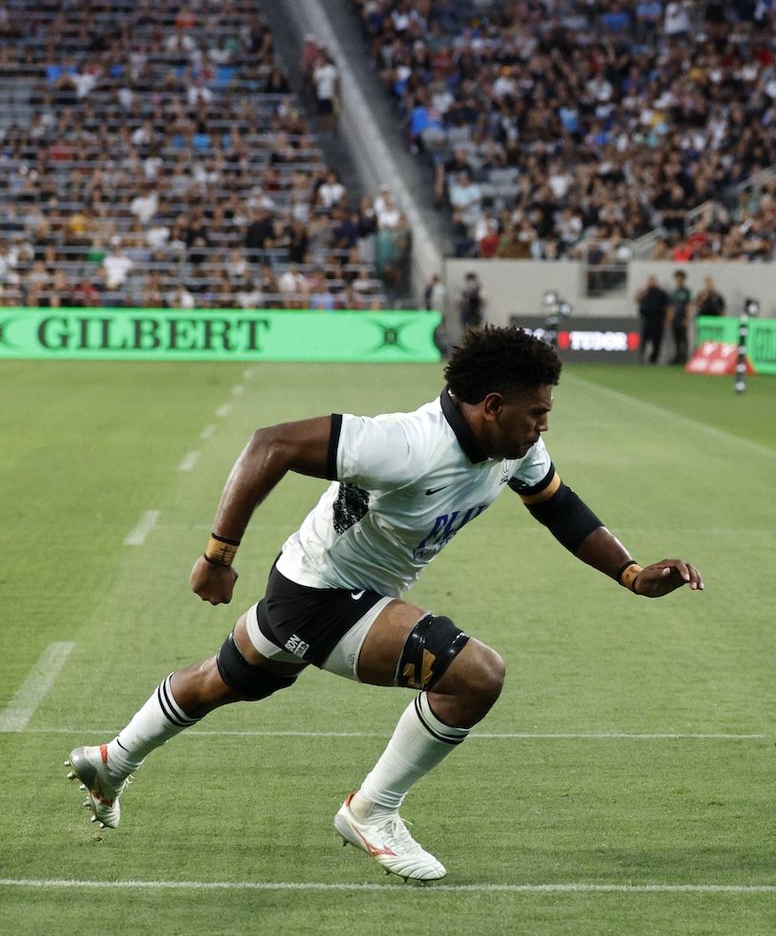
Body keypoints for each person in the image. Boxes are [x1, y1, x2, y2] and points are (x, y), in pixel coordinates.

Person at [62, 327, 704, 880]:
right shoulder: (407, 444)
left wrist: (631, 572)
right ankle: (372, 810)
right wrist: (217, 556)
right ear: (490, 404)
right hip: (319, 594)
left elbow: (559, 507)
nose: (543, 426)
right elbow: (269, 445)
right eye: (536, 412)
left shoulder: (515, 448)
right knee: (476, 675)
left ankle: (110, 761)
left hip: (325, 585)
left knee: (224, 683)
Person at [635, 275, 670, 364]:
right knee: (642, 341)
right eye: (649, 281)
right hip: (645, 320)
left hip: (657, 320)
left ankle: (653, 360)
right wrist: (643, 292)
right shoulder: (644, 292)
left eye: (652, 281)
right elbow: (636, 299)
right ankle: (639, 358)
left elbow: (668, 307)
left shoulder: (661, 293)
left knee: (656, 341)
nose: (650, 283)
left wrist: (667, 319)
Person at [667, 269, 693, 364]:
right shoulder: (674, 292)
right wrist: (669, 318)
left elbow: (687, 306)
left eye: (680, 278)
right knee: (676, 339)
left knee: (683, 339)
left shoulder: (686, 291)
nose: (678, 280)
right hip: (675, 318)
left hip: (682, 318)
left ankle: (684, 358)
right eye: (677, 278)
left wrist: (687, 318)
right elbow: (671, 306)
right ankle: (677, 358)